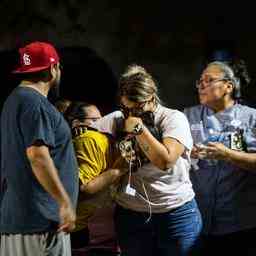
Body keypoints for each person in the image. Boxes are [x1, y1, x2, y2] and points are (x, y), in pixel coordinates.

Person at [92, 64, 202, 256]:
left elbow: (165, 162)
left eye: (138, 108)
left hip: (175, 212)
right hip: (131, 213)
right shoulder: (118, 118)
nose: (132, 114)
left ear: (151, 98)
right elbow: (88, 137)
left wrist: (138, 129)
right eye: (126, 108)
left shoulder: (173, 118)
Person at [0, 41, 79, 256]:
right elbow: (37, 155)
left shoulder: (14, 101)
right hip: (41, 222)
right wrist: (64, 202)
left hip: (21, 220)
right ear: (53, 69)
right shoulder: (35, 104)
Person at [184, 61, 256, 255]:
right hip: (196, 220)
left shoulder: (251, 118)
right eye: (199, 82)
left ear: (228, 86)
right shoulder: (187, 116)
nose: (201, 85)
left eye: (208, 80)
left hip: (239, 224)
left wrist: (229, 155)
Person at [65, 101, 125, 251]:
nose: (102, 123)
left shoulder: (104, 138)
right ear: (76, 123)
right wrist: (120, 169)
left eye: (102, 118)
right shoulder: (88, 139)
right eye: (95, 120)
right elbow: (85, 187)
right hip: (79, 224)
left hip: (90, 224)